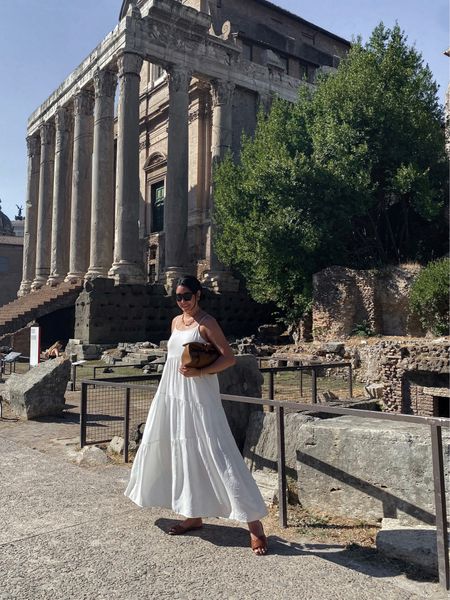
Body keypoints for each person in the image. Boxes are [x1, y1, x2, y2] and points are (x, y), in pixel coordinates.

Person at [125, 275, 268, 555]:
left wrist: (200, 372)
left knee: (219, 451)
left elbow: (228, 357)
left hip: (200, 394)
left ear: (198, 295)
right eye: (178, 297)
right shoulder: (175, 322)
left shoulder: (207, 323)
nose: (182, 302)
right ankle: (193, 514)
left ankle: (255, 526)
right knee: (181, 451)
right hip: (173, 394)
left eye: (187, 296)